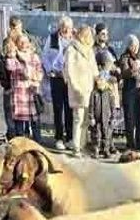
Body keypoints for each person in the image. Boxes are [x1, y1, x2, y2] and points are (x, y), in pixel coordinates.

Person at [63, 25, 98, 158]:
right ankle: (76, 147)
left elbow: (94, 68)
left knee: (86, 120)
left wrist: (99, 79)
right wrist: (75, 87)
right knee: (78, 118)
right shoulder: (72, 49)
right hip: (78, 89)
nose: (90, 38)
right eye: (88, 36)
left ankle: (82, 145)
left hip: (89, 88)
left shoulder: (89, 50)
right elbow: (69, 71)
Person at [43, 16, 75, 151]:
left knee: (70, 108)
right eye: (63, 27)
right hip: (56, 77)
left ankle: (70, 138)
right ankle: (59, 137)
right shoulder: (52, 38)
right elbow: (45, 56)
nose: (66, 30)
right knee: (58, 108)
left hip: (70, 78)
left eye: (68, 27)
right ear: (60, 27)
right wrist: (50, 70)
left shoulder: (74, 40)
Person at [4, 34, 43, 142]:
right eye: (21, 42)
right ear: (16, 44)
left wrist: (33, 77)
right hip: (19, 95)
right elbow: (9, 67)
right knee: (19, 125)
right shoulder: (13, 57)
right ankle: (20, 145)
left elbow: (40, 72)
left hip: (32, 93)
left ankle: (37, 144)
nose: (24, 44)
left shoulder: (34, 56)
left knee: (35, 122)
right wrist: (12, 54)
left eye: (25, 42)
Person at [118, 35, 140, 150]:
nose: (135, 48)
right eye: (132, 45)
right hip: (129, 91)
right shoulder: (124, 57)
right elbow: (125, 73)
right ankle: (130, 144)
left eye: (136, 45)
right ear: (128, 46)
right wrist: (134, 70)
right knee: (130, 118)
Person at [89, 51, 118, 159]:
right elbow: (91, 106)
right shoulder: (94, 93)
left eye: (103, 80)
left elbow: (112, 106)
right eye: (99, 80)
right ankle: (96, 149)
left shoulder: (109, 92)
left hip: (107, 116)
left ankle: (106, 149)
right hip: (97, 117)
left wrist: (113, 117)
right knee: (96, 134)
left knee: (107, 133)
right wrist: (91, 117)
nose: (101, 82)